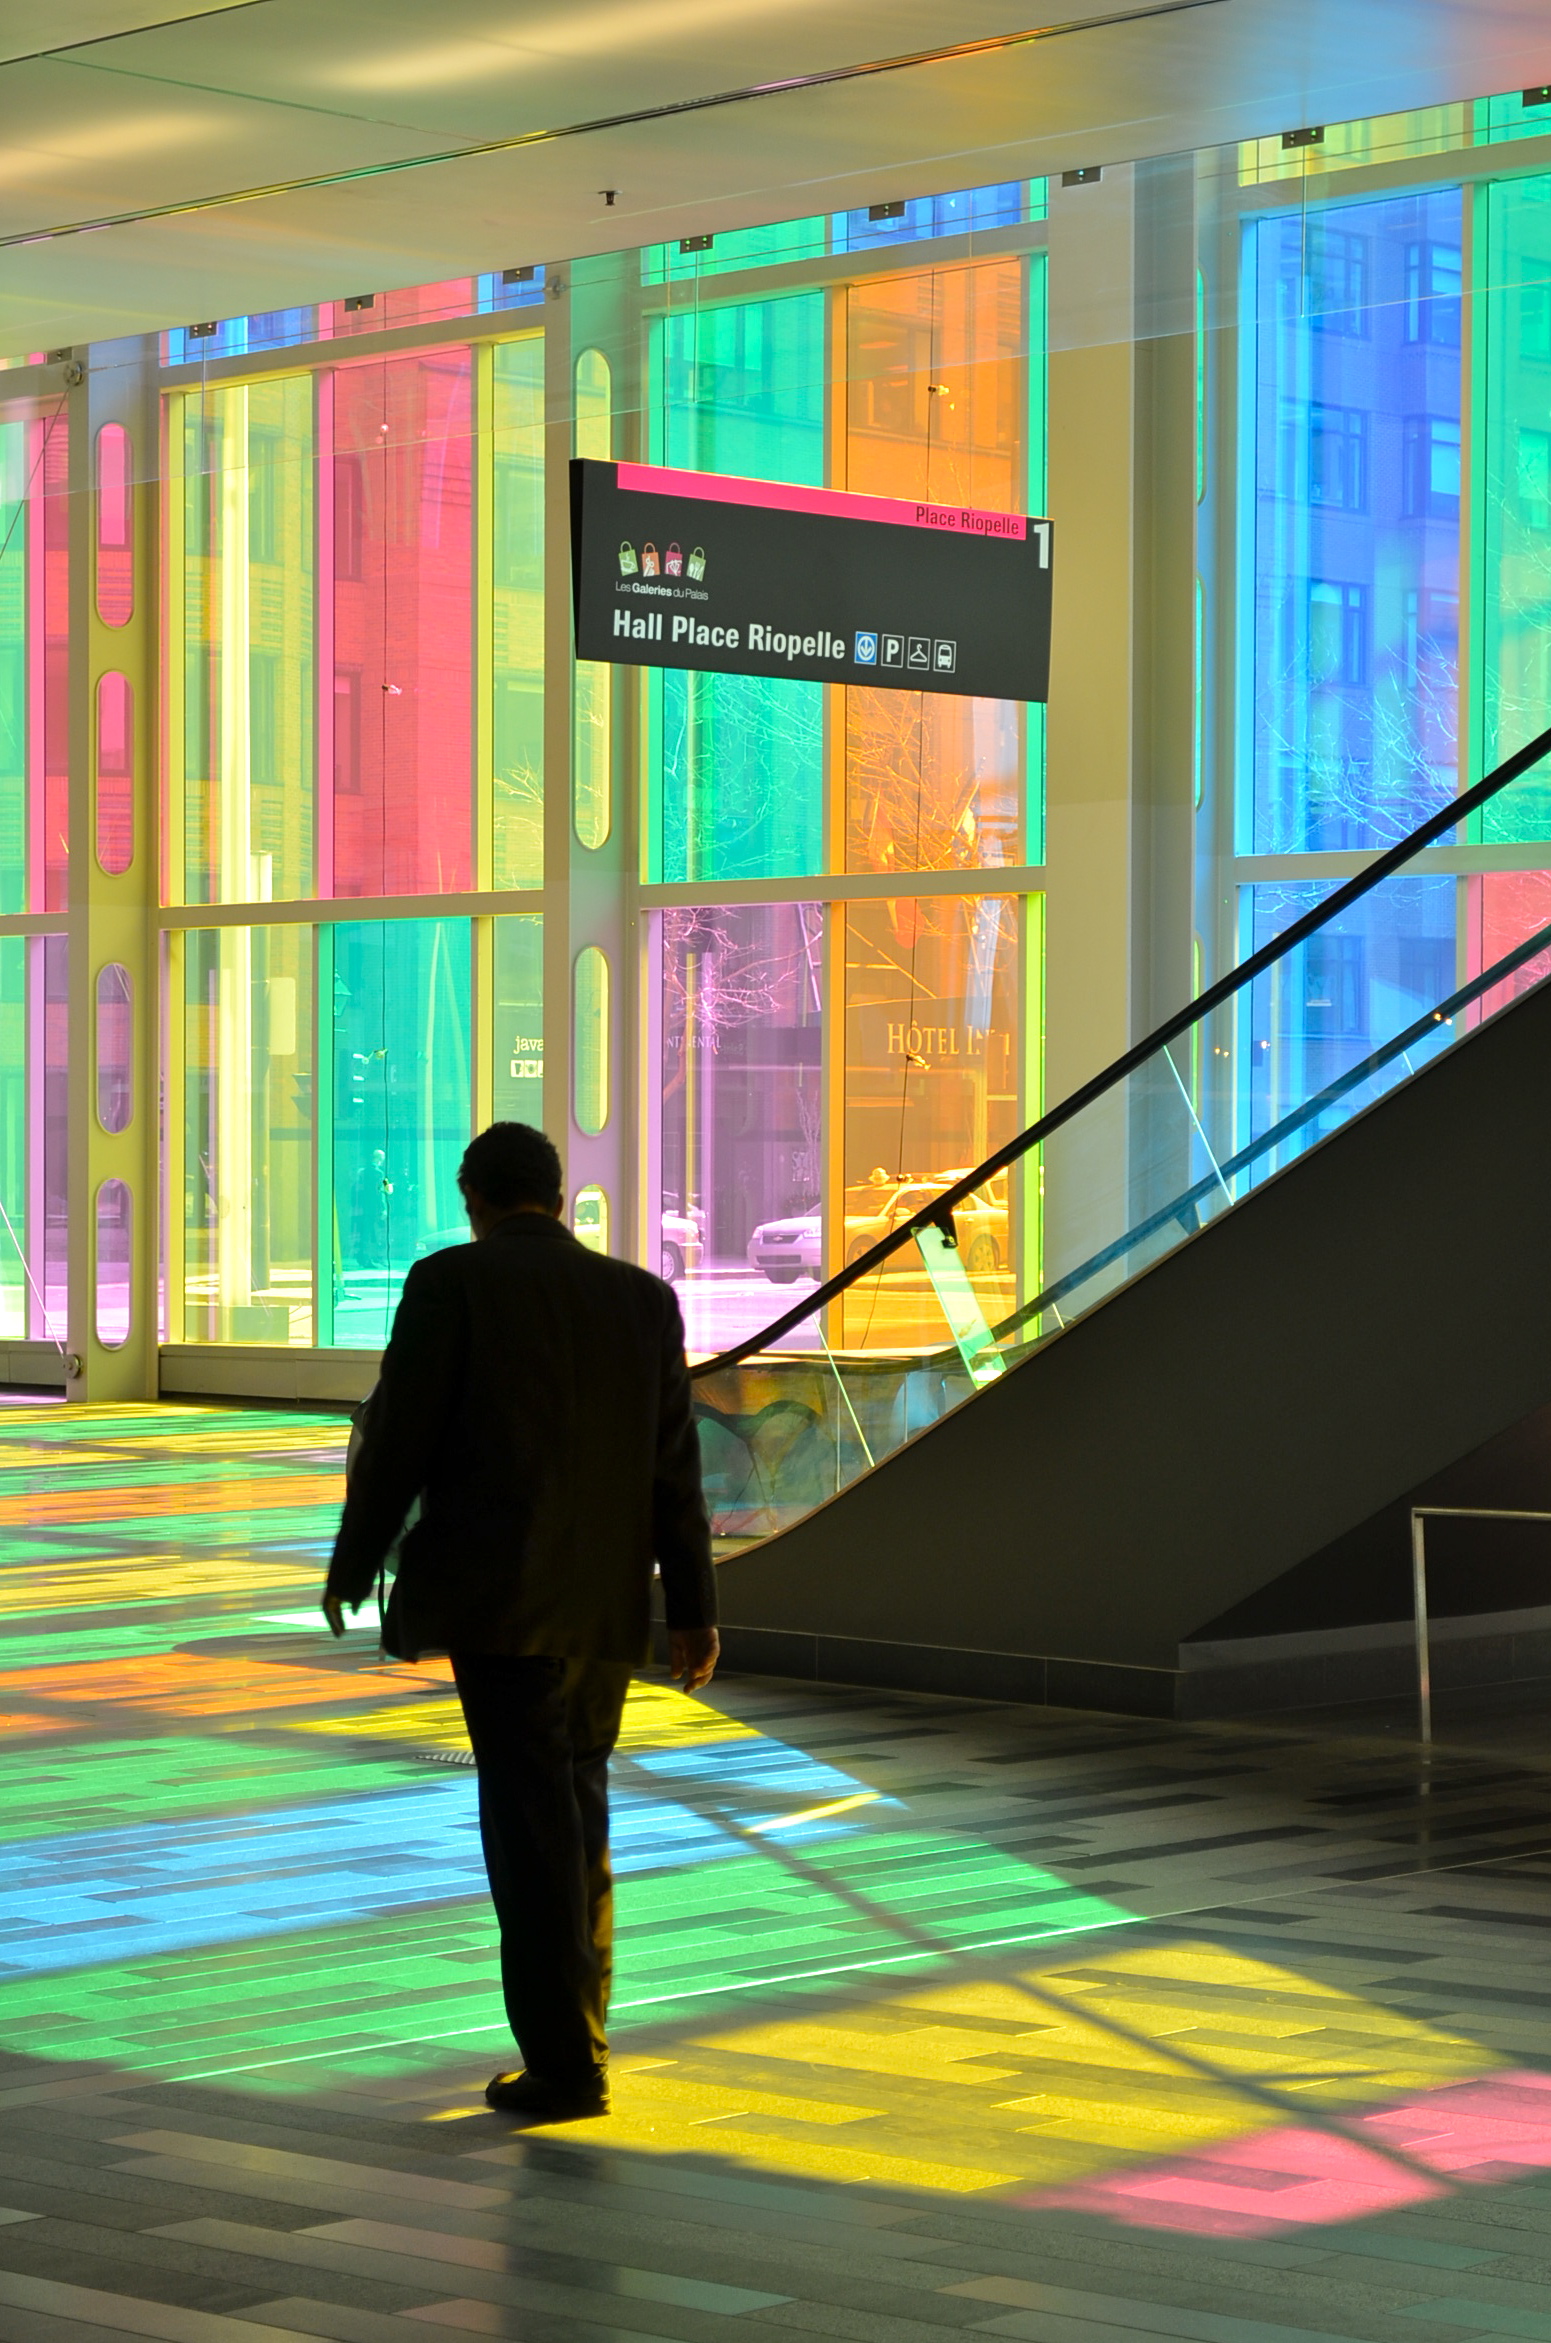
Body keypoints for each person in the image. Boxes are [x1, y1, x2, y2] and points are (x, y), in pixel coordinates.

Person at [323, 1121, 718, 2122]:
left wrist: (356, 1559)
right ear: (558, 1193)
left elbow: (401, 1437)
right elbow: (675, 1469)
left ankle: (566, 2064)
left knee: (528, 1824)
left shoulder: (450, 1283)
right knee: (577, 1811)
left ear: (475, 1200)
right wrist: (692, 1609)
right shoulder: (643, 1298)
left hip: (498, 1601)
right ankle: (579, 2036)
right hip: (604, 1608)